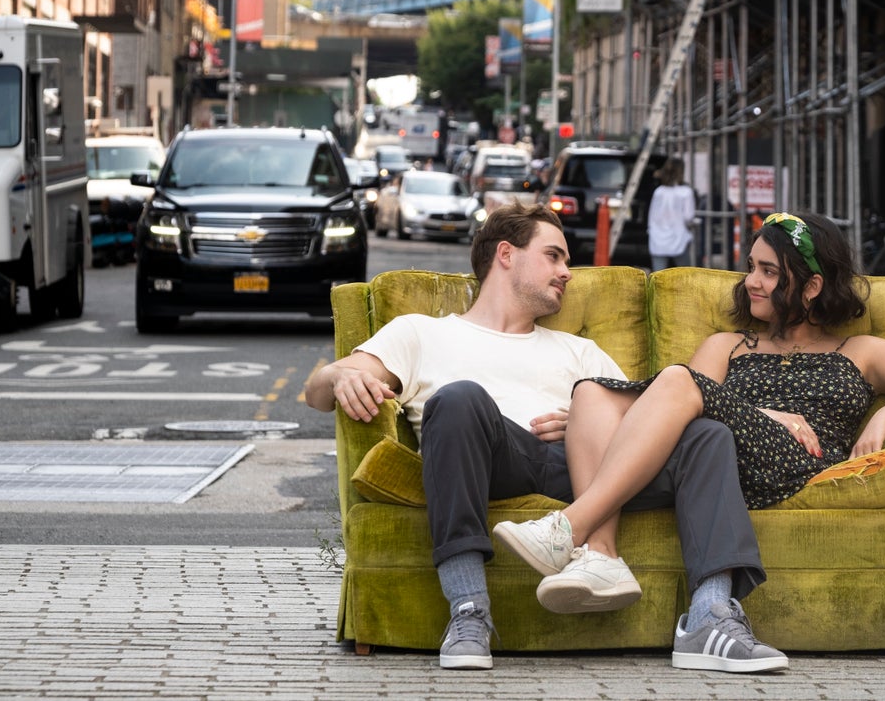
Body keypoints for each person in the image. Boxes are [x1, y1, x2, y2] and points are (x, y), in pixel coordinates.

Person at [304, 202, 784, 674]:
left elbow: (650, 421)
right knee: (457, 400)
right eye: (554, 256)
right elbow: (318, 391)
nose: (567, 272)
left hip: (592, 474)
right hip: (493, 458)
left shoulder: (581, 351)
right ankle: (469, 611)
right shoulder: (420, 333)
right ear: (506, 254)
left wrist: (586, 421)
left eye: (567, 262)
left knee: (705, 434)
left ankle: (711, 615)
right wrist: (338, 377)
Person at [495, 212, 885, 651]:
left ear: (811, 287)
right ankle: (599, 556)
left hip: (799, 463)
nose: (752, 280)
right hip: (725, 460)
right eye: (752, 266)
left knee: (674, 378)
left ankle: (568, 528)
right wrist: (767, 415)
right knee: (592, 392)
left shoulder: (858, 352)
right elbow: (686, 418)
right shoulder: (729, 345)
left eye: (768, 271)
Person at [647, 157, 696, 271]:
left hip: (657, 239)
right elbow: (689, 217)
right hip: (678, 238)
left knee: (657, 278)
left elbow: (652, 216)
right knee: (685, 275)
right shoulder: (686, 192)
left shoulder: (659, 191)